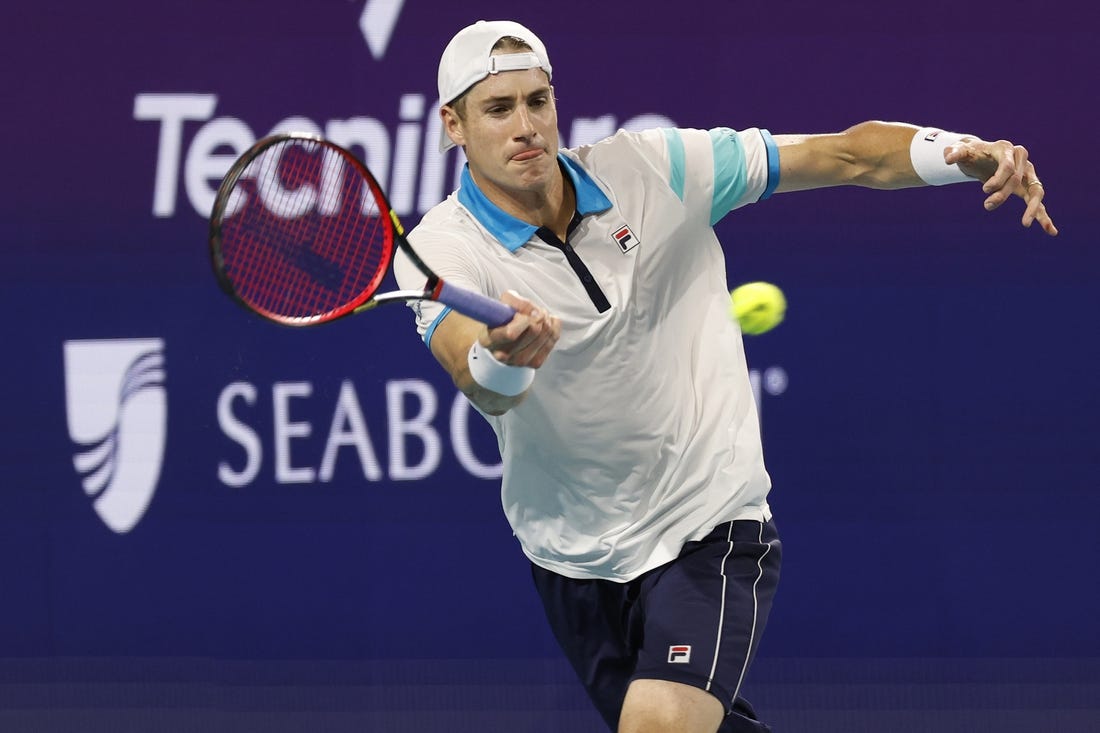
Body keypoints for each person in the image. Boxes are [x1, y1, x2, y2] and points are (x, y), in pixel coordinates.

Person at [394, 19, 1058, 733]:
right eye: (499, 109)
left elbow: (846, 155)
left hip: (706, 519)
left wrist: (961, 154)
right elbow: (475, 372)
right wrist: (506, 355)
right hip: (571, 555)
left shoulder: (652, 167)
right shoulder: (437, 249)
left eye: (538, 101)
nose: (527, 126)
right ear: (454, 124)